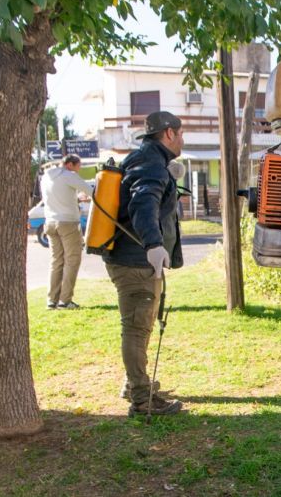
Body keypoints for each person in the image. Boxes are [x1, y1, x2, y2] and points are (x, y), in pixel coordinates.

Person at [103, 110, 185, 417]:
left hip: (132, 257)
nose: (182, 139)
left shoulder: (148, 159)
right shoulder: (150, 162)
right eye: (181, 133)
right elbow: (142, 201)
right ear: (168, 134)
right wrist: (153, 243)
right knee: (137, 328)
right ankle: (141, 398)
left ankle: (135, 383)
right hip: (135, 259)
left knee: (141, 325)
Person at [41, 153, 91, 310]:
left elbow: (59, 196)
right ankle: (65, 300)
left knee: (56, 261)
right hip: (67, 223)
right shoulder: (69, 175)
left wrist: (75, 199)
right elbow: (91, 190)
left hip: (50, 222)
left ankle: (52, 300)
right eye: (78, 166)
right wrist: (86, 197)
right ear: (70, 164)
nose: (79, 170)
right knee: (72, 260)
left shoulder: (47, 176)